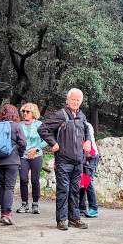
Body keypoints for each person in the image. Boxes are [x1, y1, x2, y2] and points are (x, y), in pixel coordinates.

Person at [39, 88, 91, 230]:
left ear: (81, 102)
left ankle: (74, 219)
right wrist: (53, 143)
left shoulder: (82, 116)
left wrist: (88, 141)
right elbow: (42, 129)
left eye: (78, 100)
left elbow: (87, 131)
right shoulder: (60, 115)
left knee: (75, 190)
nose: (75, 102)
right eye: (73, 99)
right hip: (63, 161)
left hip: (78, 161)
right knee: (63, 190)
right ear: (67, 100)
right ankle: (61, 220)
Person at [0, 104, 27, 225]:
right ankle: (6, 214)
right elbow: (23, 143)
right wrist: (19, 154)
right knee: (9, 187)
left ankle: (2, 212)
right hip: (12, 161)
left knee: (0, 187)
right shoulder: (16, 126)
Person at [17, 103, 47, 214]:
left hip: (36, 156)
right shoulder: (19, 125)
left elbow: (46, 140)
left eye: (27, 111)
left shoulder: (39, 125)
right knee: (23, 179)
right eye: (23, 111)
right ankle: (24, 204)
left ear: (33, 113)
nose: (25, 113)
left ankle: (35, 204)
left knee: (35, 180)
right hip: (23, 156)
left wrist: (36, 149)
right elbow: (16, 140)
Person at [79, 121, 100, 218]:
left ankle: (93, 208)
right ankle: (82, 207)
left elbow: (88, 140)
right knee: (81, 182)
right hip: (81, 156)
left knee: (88, 181)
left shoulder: (86, 125)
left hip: (90, 156)